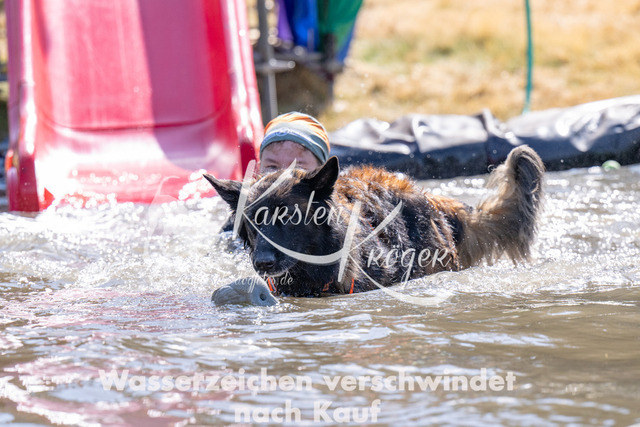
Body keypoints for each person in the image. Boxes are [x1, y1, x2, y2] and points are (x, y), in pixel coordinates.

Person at [219, 111, 330, 232]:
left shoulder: (334, 218)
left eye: (296, 168)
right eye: (272, 167)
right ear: (259, 169)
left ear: (323, 176)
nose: (281, 177)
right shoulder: (243, 218)